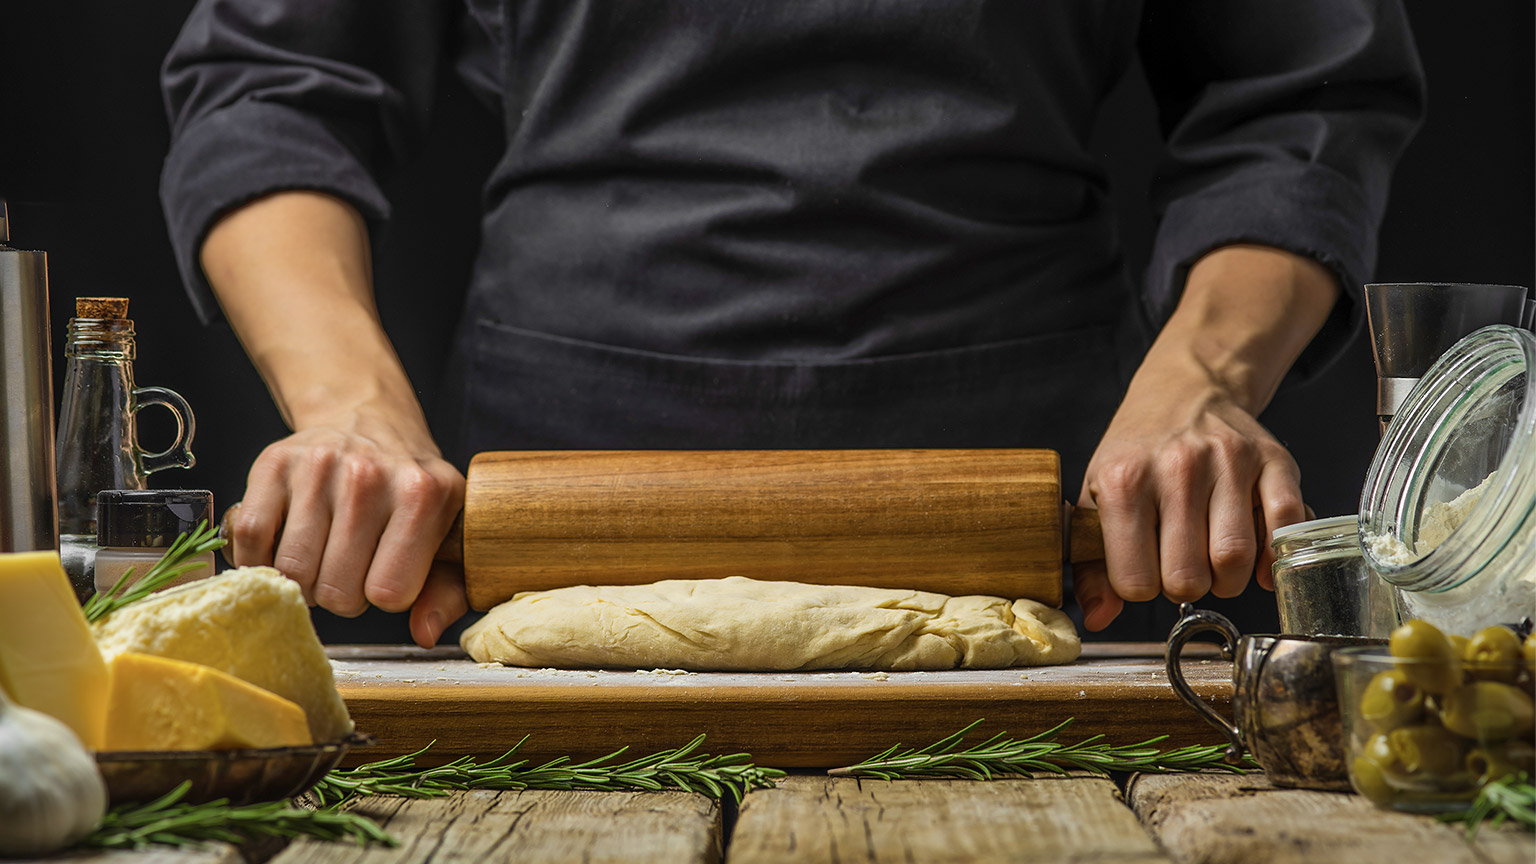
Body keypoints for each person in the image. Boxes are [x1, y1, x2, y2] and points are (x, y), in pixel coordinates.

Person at [159, 1, 1426, 648]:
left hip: (1045, 518)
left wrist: (1201, 378)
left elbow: (1300, 86)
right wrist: (348, 408)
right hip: (550, 496)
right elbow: (275, 83)